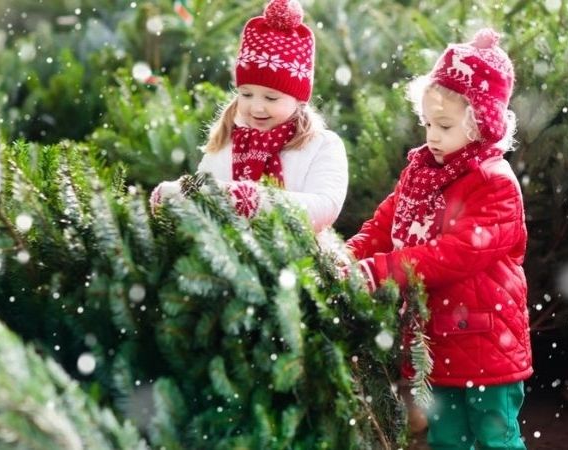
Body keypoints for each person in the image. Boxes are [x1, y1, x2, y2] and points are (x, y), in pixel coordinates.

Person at [345, 28, 530, 450]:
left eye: (444, 125)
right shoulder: (423, 174)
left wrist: (380, 271)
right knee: (447, 437)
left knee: (495, 435)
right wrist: (350, 253)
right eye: (427, 122)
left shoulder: (494, 183)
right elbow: (385, 221)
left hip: (486, 342)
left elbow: (455, 254)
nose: (431, 135)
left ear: (480, 123)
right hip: (438, 343)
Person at [151, 0, 346, 233]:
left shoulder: (321, 146)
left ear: (298, 99)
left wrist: (250, 200)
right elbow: (205, 199)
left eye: (271, 98)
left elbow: (324, 207)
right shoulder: (228, 143)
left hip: (301, 263)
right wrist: (178, 195)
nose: (256, 108)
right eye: (246, 94)